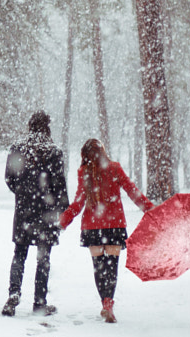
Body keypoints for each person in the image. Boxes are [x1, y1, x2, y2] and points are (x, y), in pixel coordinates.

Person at [59, 138, 154, 323]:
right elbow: (132, 190)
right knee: (111, 267)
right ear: (102, 152)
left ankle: (104, 301)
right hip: (114, 225)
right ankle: (108, 304)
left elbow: (79, 202)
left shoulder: (84, 172)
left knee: (99, 268)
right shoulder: (115, 168)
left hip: (93, 227)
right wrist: (150, 209)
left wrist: (63, 220)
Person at [2, 111, 68, 317]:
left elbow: (9, 178)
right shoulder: (54, 152)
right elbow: (59, 185)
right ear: (47, 127)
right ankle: (39, 302)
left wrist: (22, 194)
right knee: (43, 257)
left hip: (23, 210)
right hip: (46, 212)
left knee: (19, 253)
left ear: (30, 126)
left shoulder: (17, 149)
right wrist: (61, 207)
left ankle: (13, 294)